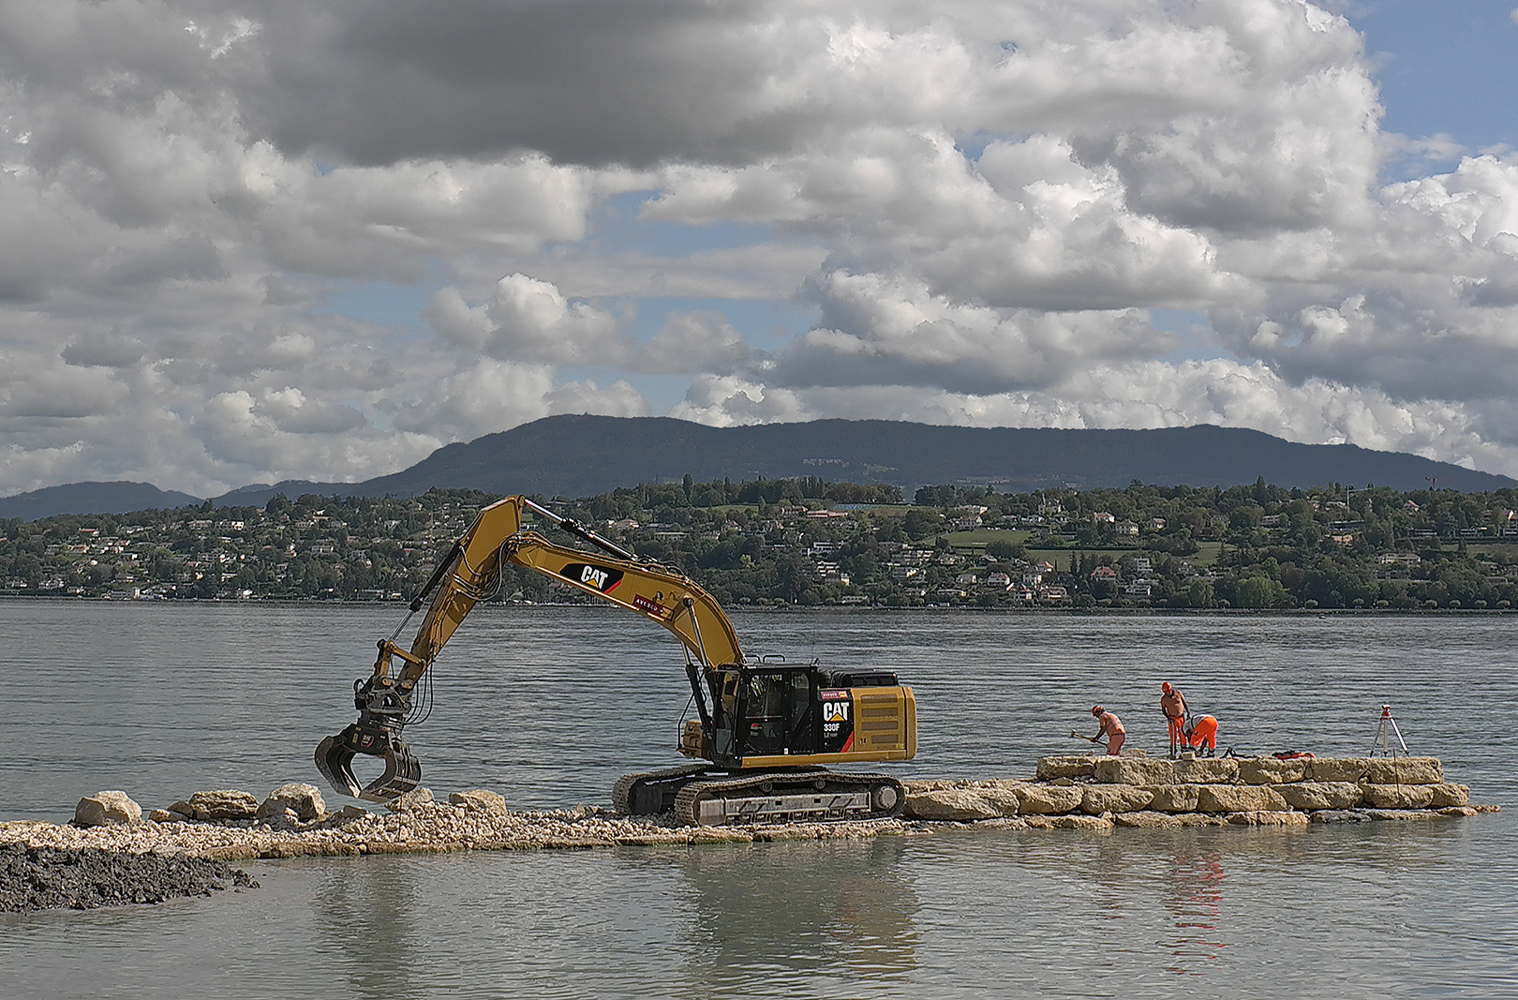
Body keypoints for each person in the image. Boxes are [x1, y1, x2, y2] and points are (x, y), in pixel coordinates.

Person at [1160, 681, 1189, 758]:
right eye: (1165, 691)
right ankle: (1173, 751)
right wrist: (1168, 717)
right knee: (1172, 735)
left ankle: (1184, 750)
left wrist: (1188, 712)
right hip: (1172, 718)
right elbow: (1163, 710)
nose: (1167, 692)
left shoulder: (1178, 694)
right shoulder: (1164, 699)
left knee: (1182, 734)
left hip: (1181, 717)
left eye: (1168, 690)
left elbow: (1184, 703)